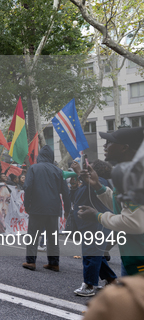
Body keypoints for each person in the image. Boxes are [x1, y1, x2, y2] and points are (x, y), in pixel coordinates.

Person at [78, 126, 144, 276]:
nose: (105, 146)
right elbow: (124, 207)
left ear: (124, 148)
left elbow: (134, 223)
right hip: (132, 257)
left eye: (110, 142)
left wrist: (97, 216)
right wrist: (97, 186)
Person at [70, 159, 117, 296]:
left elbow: (94, 186)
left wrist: (79, 172)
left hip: (96, 224)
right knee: (97, 254)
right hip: (89, 224)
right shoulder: (87, 182)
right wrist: (74, 187)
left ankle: (89, 285)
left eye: (90, 167)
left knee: (91, 254)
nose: (87, 169)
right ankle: (111, 280)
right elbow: (76, 197)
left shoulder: (101, 180)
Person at [22, 145, 70, 272]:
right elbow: (66, 192)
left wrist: (26, 204)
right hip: (54, 209)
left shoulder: (33, 168)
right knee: (52, 236)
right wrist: (68, 210)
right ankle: (54, 263)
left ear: (40, 156)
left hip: (37, 207)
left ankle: (31, 261)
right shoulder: (58, 171)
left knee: (33, 235)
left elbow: (27, 187)